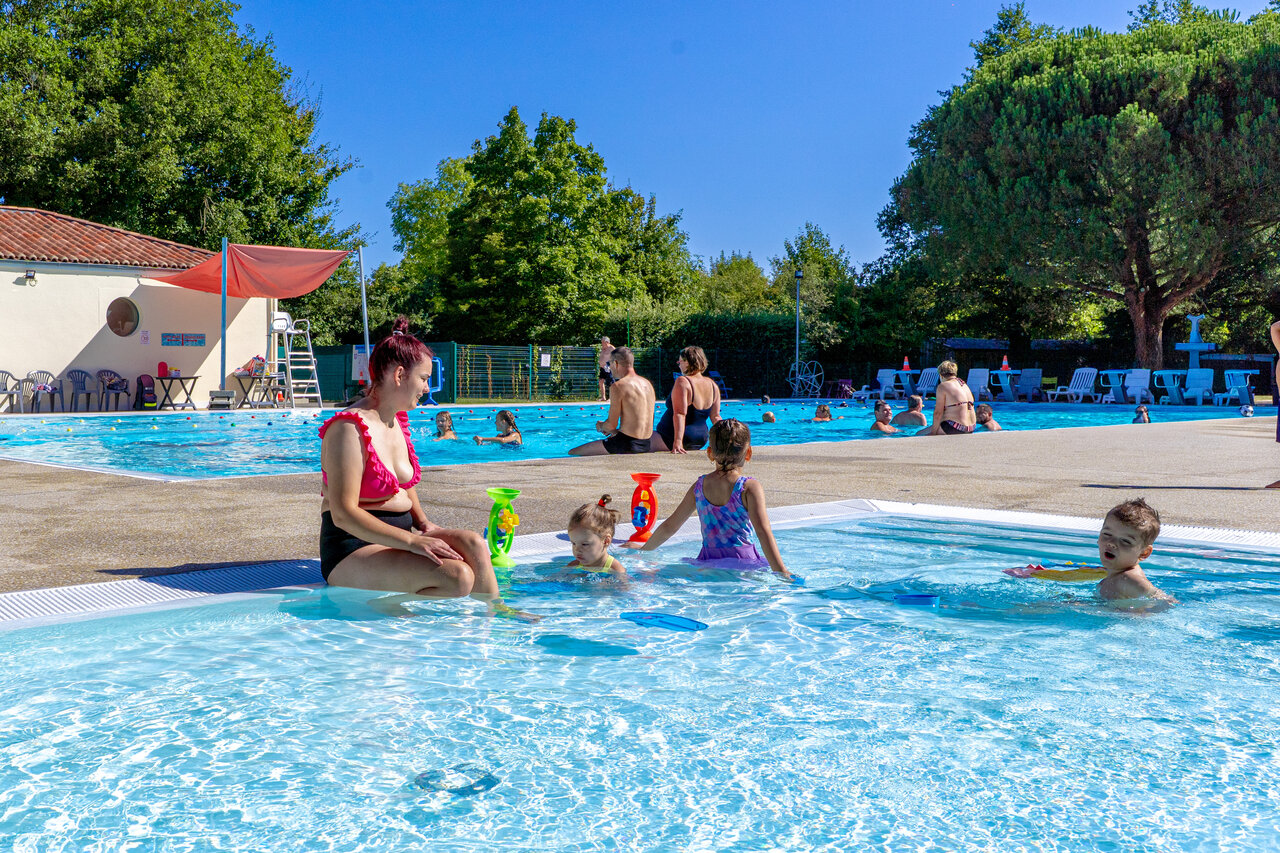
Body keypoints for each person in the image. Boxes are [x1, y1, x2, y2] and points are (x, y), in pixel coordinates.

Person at [317, 317, 518, 612]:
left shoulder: (395, 418)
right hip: (353, 548)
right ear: (399, 375)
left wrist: (423, 525)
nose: (426, 388)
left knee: (474, 544)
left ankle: (498, 615)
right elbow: (344, 514)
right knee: (457, 577)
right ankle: (380, 607)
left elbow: (402, 484)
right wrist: (412, 543)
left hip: (398, 537)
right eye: (423, 378)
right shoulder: (348, 429)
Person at [626, 419, 793, 581]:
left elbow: (671, 526)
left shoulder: (699, 487)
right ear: (748, 453)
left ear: (710, 453)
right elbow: (763, 533)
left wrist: (644, 550)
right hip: (743, 563)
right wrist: (782, 572)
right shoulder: (749, 488)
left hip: (708, 564)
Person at [570, 347, 656, 455]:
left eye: (609, 363)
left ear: (615, 363)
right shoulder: (648, 384)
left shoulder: (618, 386)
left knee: (573, 452)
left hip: (626, 445)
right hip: (646, 444)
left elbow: (611, 425)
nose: (609, 367)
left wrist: (601, 426)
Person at [1096, 498, 1174, 605]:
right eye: (1107, 534)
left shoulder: (1130, 580)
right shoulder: (1117, 576)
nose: (1112, 543)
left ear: (1144, 553)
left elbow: (1165, 601)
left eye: (1125, 541)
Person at [651, 345, 722, 453]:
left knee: (637, 441)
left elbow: (680, 414)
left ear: (687, 362)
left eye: (680, 362)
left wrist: (678, 441)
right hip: (701, 438)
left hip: (671, 437)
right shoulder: (713, 385)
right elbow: (716, 417)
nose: (678, 365)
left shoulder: (683, 382)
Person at [565, 495, 627, 579]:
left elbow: (625, 588)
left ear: (606, 541)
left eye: (584, 544)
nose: (577, 549)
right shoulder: (574, 565)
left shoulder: (615, 569)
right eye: (573, 543)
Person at [925, 360, 976, 435]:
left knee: (920, 434)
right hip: (971, 427)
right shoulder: (964, 385)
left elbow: (938, 413)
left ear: (941, 375)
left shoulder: (943, 386)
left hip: (956, 428)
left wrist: (933, 433)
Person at [598, 336, 616, 401]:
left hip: (608, 368)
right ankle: (603, 397)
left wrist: (610, 364)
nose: (602, 343)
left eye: (603, 342)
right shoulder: (603, 348)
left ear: (607, 342)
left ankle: (612, 398)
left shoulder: (611, 348)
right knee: (601, 381)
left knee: (611, 383)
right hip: (602, 368)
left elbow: (616, 357)